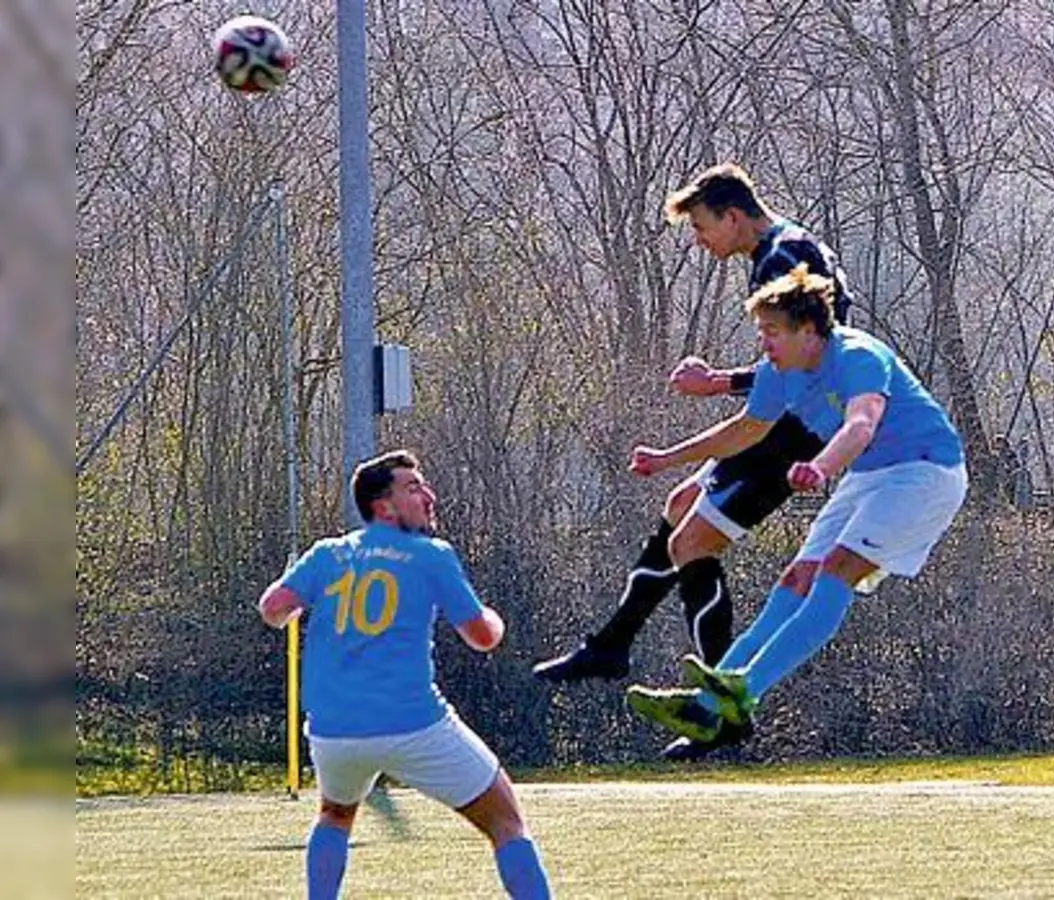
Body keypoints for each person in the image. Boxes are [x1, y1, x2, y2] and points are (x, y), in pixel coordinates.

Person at [532, 164, 858, 760]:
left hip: (795, 433)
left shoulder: (783, 260)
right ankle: (614, 643)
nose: (700, 241)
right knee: (680, 506)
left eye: (703, 227)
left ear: (733, 216)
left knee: (691, 545)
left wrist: (718, 382)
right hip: (792, 421)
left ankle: (721, 707)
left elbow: (809, 359)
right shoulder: (791, 247)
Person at [622, 265, 967, 747]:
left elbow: (861, 425)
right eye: (761, 331)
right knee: (797, 577)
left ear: (809, 332)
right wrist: (666, 459)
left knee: (838, 568)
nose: (764, 342)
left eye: (773, 332)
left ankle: (744, 690)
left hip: (926, 473)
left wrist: (822, 467)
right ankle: (704, 708)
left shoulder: (857, 356)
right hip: (868, 476)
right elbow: (742, 431)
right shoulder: (779, 372)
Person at [256, 450, 552, 900]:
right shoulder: (430, 556)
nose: (428, 496)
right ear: (383, 507)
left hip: (334, 732)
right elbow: (482, 637)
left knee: (335, 816)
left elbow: (273, 610)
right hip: (413, 724)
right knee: (506, 821)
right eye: (413, 488)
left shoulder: (328, 554)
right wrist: (496, 619)